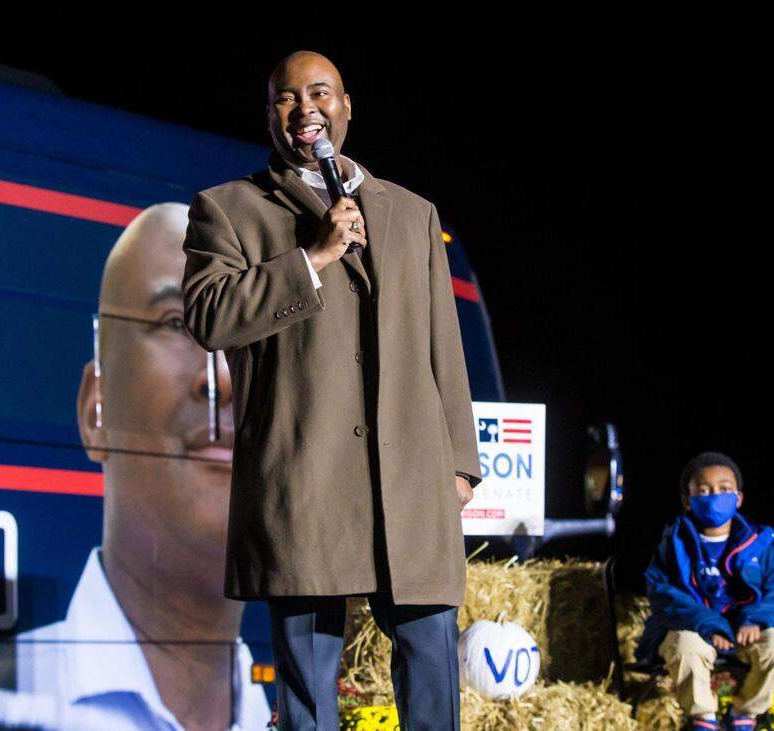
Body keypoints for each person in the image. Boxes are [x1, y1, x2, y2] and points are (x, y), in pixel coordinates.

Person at [0, 203, 271, 731]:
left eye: (255, 341)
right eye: (177, 322)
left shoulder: (325, 709)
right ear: (95, 412)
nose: (225, 378)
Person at [181, 51, 482, 730]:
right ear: (270, 117)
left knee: (431, 676)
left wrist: (460, 462)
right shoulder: (229, 210)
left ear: (347, 107)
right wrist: (311, 258)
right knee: (310, 696)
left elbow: (444, 346)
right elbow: (208, 317)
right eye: (286, 98)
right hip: (304, 480)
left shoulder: (411, 214)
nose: (304, 108)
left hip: (410, 479)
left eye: (319, 93)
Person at [636, 452, 774, 731]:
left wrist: (754, 620)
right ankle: (704, 719)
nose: (715, 496)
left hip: (745, 630)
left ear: (738, 498)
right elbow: (662, 592)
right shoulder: (674, 544)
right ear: (687, 500)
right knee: (687, 649)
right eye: (704, 490)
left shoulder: (758, 544)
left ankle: (745, 712)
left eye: (724, 489)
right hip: (693, 628)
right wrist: (712, 626)